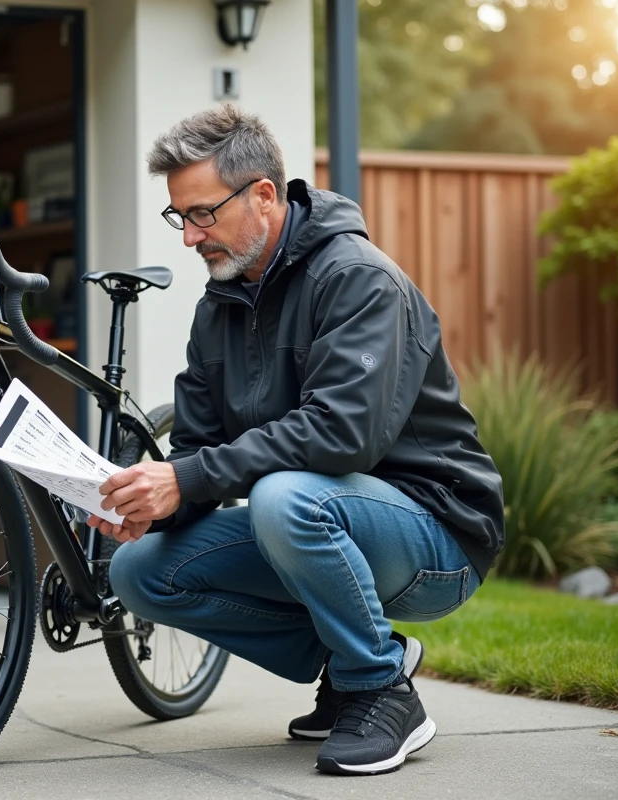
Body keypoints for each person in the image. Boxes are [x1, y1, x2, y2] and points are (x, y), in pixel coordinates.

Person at [87, 105, 505, 777]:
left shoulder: (357, 279)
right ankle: (353, 659)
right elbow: (197, 451)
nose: (190, 238)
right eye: (180, 217)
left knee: (283, 498)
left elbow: (342, 435)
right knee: (138, 572)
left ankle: (380, 689)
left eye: (203, 214)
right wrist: (151, 504)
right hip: (324, 522)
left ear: (263, 195)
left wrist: (187, 480)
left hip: (437, 535)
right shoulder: (218, 309)